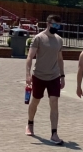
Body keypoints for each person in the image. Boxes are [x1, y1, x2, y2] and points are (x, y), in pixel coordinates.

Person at [25, 14, 66, 144]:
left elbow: (60, 59)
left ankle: (54, 133)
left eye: (58, 25)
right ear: (48, 24)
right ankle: (30, 123)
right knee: (35, 101)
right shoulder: (39, 38)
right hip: (39, 76)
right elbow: (30, 57)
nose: (56, 27)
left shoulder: (59, 40)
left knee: (54, 102)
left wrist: (62, 76)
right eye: (54, 24)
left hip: (54, 76)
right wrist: (28, 75)